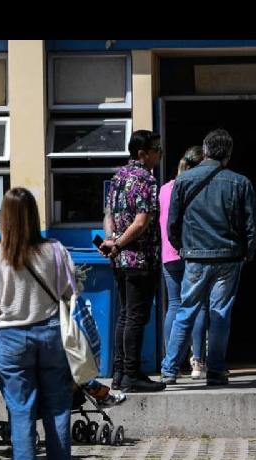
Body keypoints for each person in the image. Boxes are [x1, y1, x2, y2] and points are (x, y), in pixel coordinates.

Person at [0, 187, 76, 460]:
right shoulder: (56, 250)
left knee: (21, 412)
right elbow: (69, 292)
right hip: (50, 335)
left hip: (10, 337)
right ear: (34, 216)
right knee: (58, 411)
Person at [161, 129, 256, 386]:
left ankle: (169, 369)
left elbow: (172, 224)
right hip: (228, 257)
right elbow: (253, 226)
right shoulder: (240, 182)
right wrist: (247, 253)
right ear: (227, 154)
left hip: (194, 256)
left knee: (186, 310)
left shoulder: (183, 181)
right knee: (219, 313)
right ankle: (215, 370)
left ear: (205, 151)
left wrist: (183, 248)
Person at [99, 130, 166, 393]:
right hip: (140, 258)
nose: (159, 154)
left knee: (124, 315)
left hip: (119, 259)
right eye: (156, 149)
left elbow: (108, 213)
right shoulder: (147, 180)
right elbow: (141, 222)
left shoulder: (118, 176)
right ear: (142, 153)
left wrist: (111, 239)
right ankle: (131, 374)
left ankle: (119, 373)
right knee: (136, 317)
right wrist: (120, 243)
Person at [159, 146, 209, 379]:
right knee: (198, 305)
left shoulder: (164, 190)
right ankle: (198, 362)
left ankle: (172, 362)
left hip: (169, 254)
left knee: (175, 305)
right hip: (192, 253)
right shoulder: (197, 188)